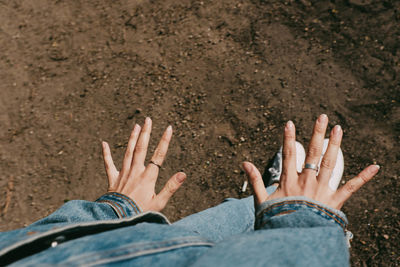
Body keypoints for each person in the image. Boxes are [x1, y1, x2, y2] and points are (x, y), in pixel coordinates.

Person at [0, 114, 379, 266]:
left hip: (143, 249)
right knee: (275, 226)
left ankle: (277, 193)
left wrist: (115, 210)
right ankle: (302, 203)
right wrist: (307, 223)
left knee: (245, 209)